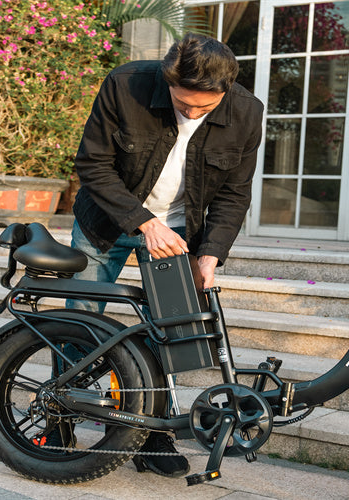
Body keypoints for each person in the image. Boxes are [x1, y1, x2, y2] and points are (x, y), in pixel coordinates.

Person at [66, 33, 264, 477]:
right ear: (167, 79)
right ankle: (60, 419)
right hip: (107, 221)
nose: (192, 113)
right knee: (79, 321)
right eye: (183, 103)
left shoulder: (247, 112)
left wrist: (210, 254)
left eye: (203, 107)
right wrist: (144, 222)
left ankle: (151, 437)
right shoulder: (125, 84)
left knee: (169, 333)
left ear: (225, 91)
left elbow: (234, 193)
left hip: (177, 231)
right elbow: (93, 164)